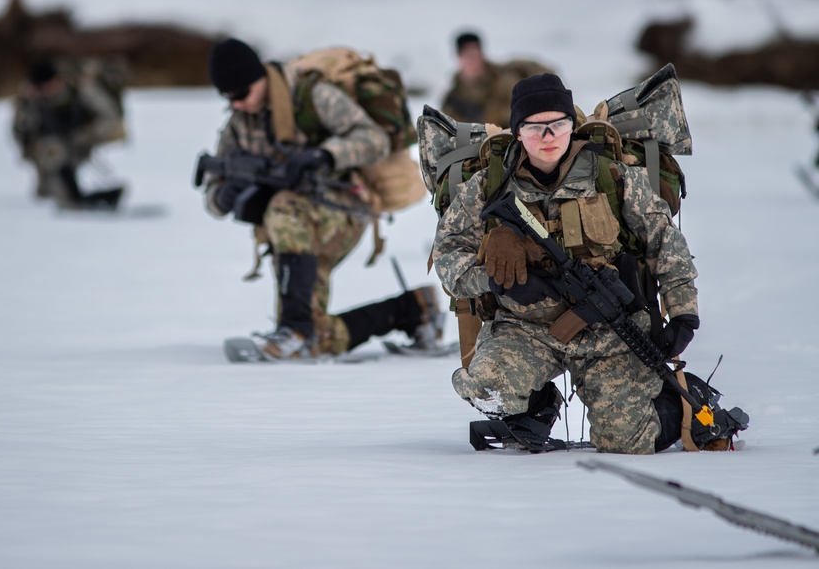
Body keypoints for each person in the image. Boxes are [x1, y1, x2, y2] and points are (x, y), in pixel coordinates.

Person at [433, 73, 701, 454]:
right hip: (524, 330)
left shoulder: (614, 177)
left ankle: (678, 403)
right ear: (518, 132)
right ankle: (535, 408)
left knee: (627, 443)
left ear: (571, 127)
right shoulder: (487, 187)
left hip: (609, 333)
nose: (547, 137)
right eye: (534, 127)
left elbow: (666, 243)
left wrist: (683, 315)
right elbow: (447, 255)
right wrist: (496, 282)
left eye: (557, 125)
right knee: (487, 390)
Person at [202, 37, 444, 359]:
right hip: (292, 230)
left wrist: (325, 156)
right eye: (227, 97)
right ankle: (410, 310)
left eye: (241, 94)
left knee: (283, 208)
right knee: (321, 337)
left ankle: (295, 331)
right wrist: (222, 195)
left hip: (342, 207)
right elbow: (211, 188)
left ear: (259, 77)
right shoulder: (240, 123)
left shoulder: (312, 95)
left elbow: (373, 139)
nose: (236, 104)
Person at [11, 58, 127, 210]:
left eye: (48, 86)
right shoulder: (30, 101)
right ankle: (69, 194)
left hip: (82, 138)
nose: (45, 92)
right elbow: (21, 135)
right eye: (40, 88)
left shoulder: (81, 88)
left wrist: (81, 136)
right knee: (48, 192)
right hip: (50, 150)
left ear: (58, 79)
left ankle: (74, 196)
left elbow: (112, 121)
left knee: (58, 160)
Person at [440, 31, 550, 127]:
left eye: (476, 54)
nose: (473, 61)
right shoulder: (452, 99)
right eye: (468, 55)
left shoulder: (506, 79)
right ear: (459, 57)